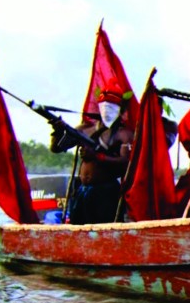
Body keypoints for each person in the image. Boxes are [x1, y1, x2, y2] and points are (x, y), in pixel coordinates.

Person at [50, 88, 135, 224]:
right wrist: (57, 132)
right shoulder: (84, 129)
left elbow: (126, 163)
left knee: (105, 231)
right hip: (82, 192)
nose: (107, 111)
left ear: (120, 109)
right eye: (104, 107)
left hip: (106, 193)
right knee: (78, 230)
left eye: (111, 107)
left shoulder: (124, 134)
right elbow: (57, 148)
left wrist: (98, 157)